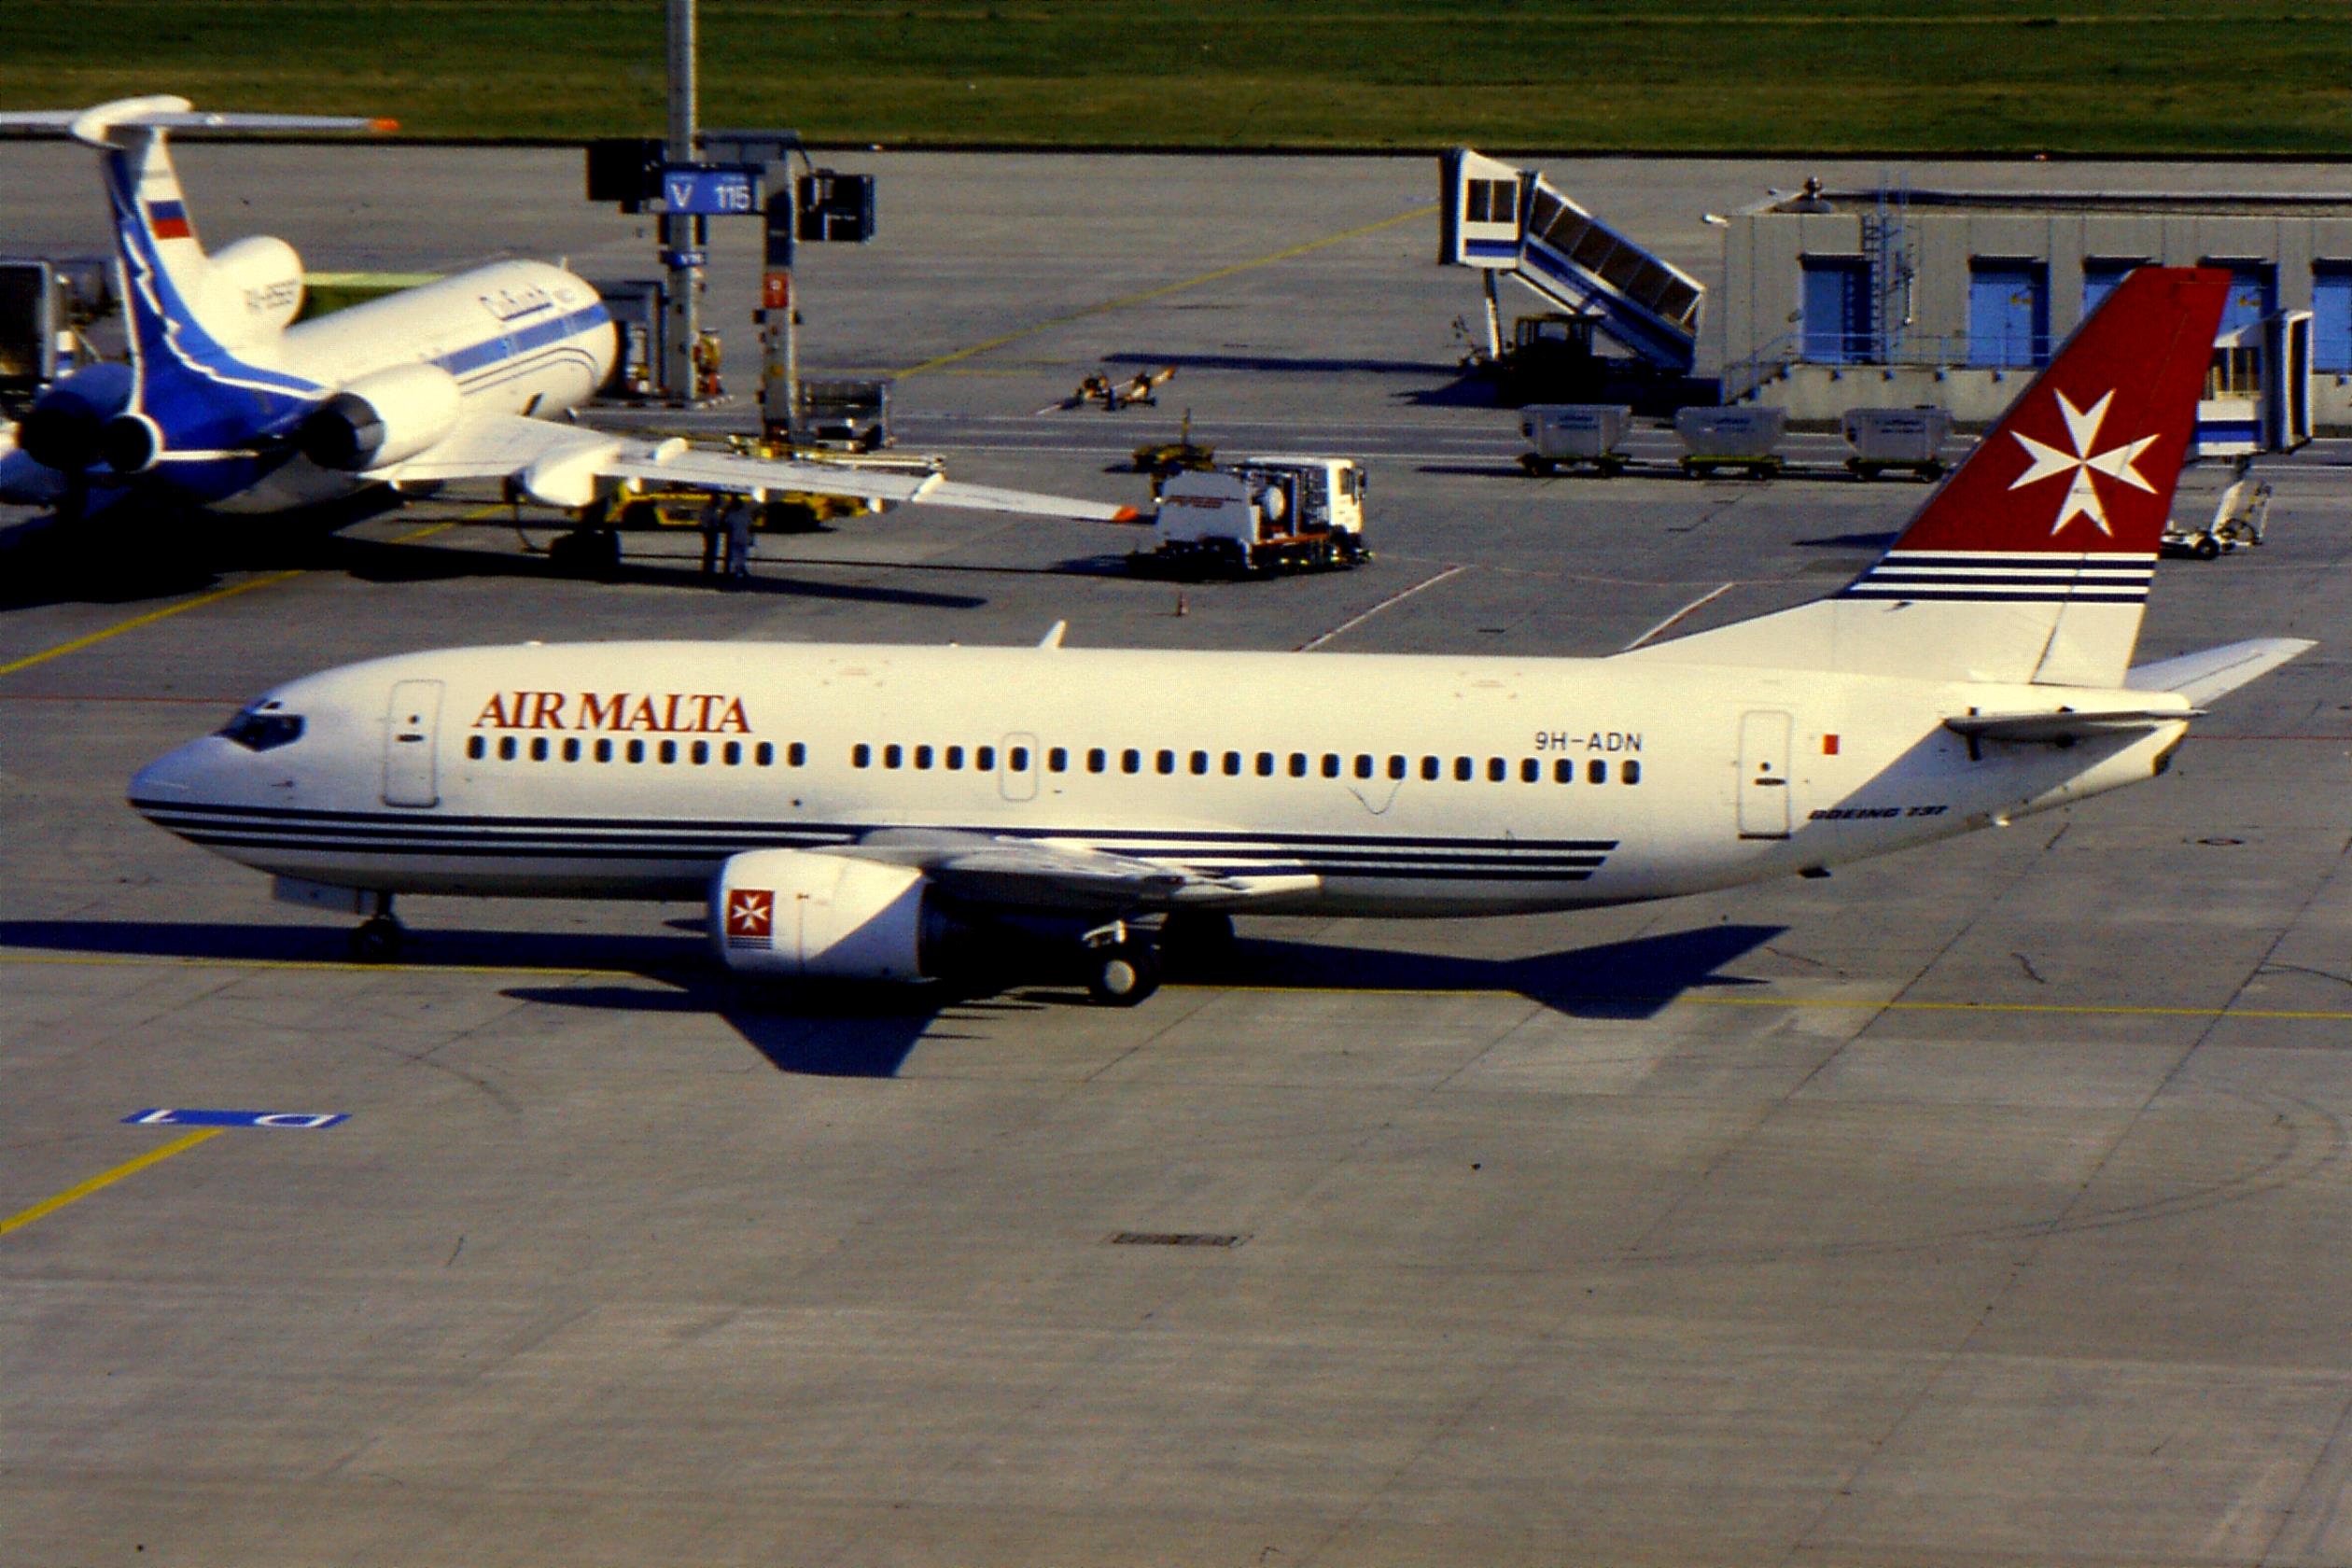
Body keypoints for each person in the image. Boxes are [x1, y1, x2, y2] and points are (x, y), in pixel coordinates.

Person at [721, 495, 755, 585]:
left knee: (736, 554)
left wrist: (726, 511)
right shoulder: (746, 513)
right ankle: (742, 570)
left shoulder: (732, 514)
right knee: (742, 554)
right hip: (744, 536)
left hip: (736, 536)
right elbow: (750, 526)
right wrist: (751, 538)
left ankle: (738, 571)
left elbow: (725, 522)